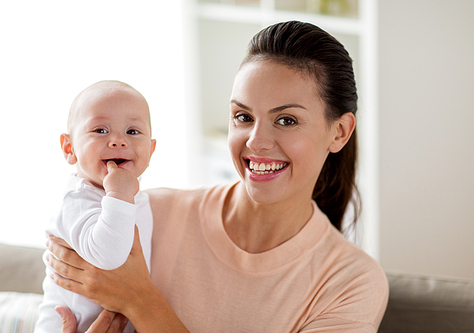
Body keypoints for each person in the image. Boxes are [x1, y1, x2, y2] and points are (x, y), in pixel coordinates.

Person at [47, 21, 389, 332]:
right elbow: (64, 303)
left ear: (339, 132)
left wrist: (140, 301)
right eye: (242, 116)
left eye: (286, 120)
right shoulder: (142, 215)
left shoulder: (350, 283)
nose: (256, 141)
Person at [34, 80, 156, 333]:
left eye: (133, 132)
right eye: (100, 130)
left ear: (151, 150)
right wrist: (119, 193)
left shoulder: (135, 198)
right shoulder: (77, 199)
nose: (118, 141)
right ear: (70, 149)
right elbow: (109, 257)